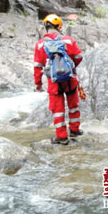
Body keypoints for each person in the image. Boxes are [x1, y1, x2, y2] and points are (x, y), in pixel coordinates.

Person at [34, 14, 83, 145]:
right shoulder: (68, 40)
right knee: (73, 106)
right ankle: (75, 130)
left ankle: (61, 136)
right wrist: (71, 67)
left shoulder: (40, 44)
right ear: (59, 26)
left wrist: (38, 84)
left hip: (53, 82)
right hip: (70, 79)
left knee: (57, 110)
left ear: (46, 27)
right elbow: (79, 56)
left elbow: (37, 67)